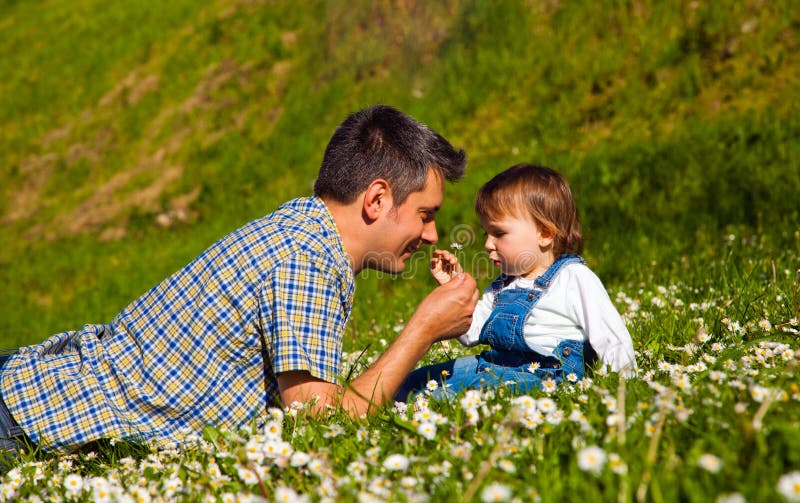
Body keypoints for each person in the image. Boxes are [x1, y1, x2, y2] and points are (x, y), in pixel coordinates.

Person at [0, 104, 478, 454]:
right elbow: (321, 420)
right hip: (27, 420)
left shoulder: (303, 230)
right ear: (376, 200)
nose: (433, 234)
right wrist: (423, 330)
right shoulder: (305, 259)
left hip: (33, 393)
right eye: (425, 214)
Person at [396, 164, 636, 400]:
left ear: (544, 233)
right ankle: (394, 395)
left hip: (544, 377)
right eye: (486, 234)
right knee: (414, 381)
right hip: (493, 366)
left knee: (445, 396)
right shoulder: (503, 286)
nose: (488, 244)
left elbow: (610, 337)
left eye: (499, 234)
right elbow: (472, 333)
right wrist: (453, 287)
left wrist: (621, 387)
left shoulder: (574, 279)